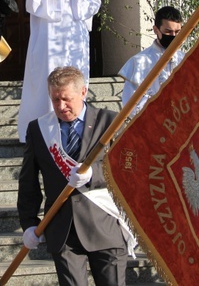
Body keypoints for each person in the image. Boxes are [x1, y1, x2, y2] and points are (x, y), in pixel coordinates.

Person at [17, 66, 133, 286]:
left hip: (105, 225)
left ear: (83, 92)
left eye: (66, 99)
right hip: (63, 230)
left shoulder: (110, 122)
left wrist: (94, 174)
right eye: (55, 100)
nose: (61, 106)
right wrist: (29, 222)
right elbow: (28, 181)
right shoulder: (39, 129)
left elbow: (128, 169)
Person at [17, 0, 101, 142]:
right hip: (48, 39)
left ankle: (77, 129)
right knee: (48, 78)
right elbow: (31, 3)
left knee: (75, 78)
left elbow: (94, 1)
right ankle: (43, 134)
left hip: (75, 37)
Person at [118, 6, 184, 117]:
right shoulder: (138, 62)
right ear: (156, 30)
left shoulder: (185, 59)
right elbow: (131, 105)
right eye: (168, 32)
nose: (173, 36)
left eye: (177, 32)